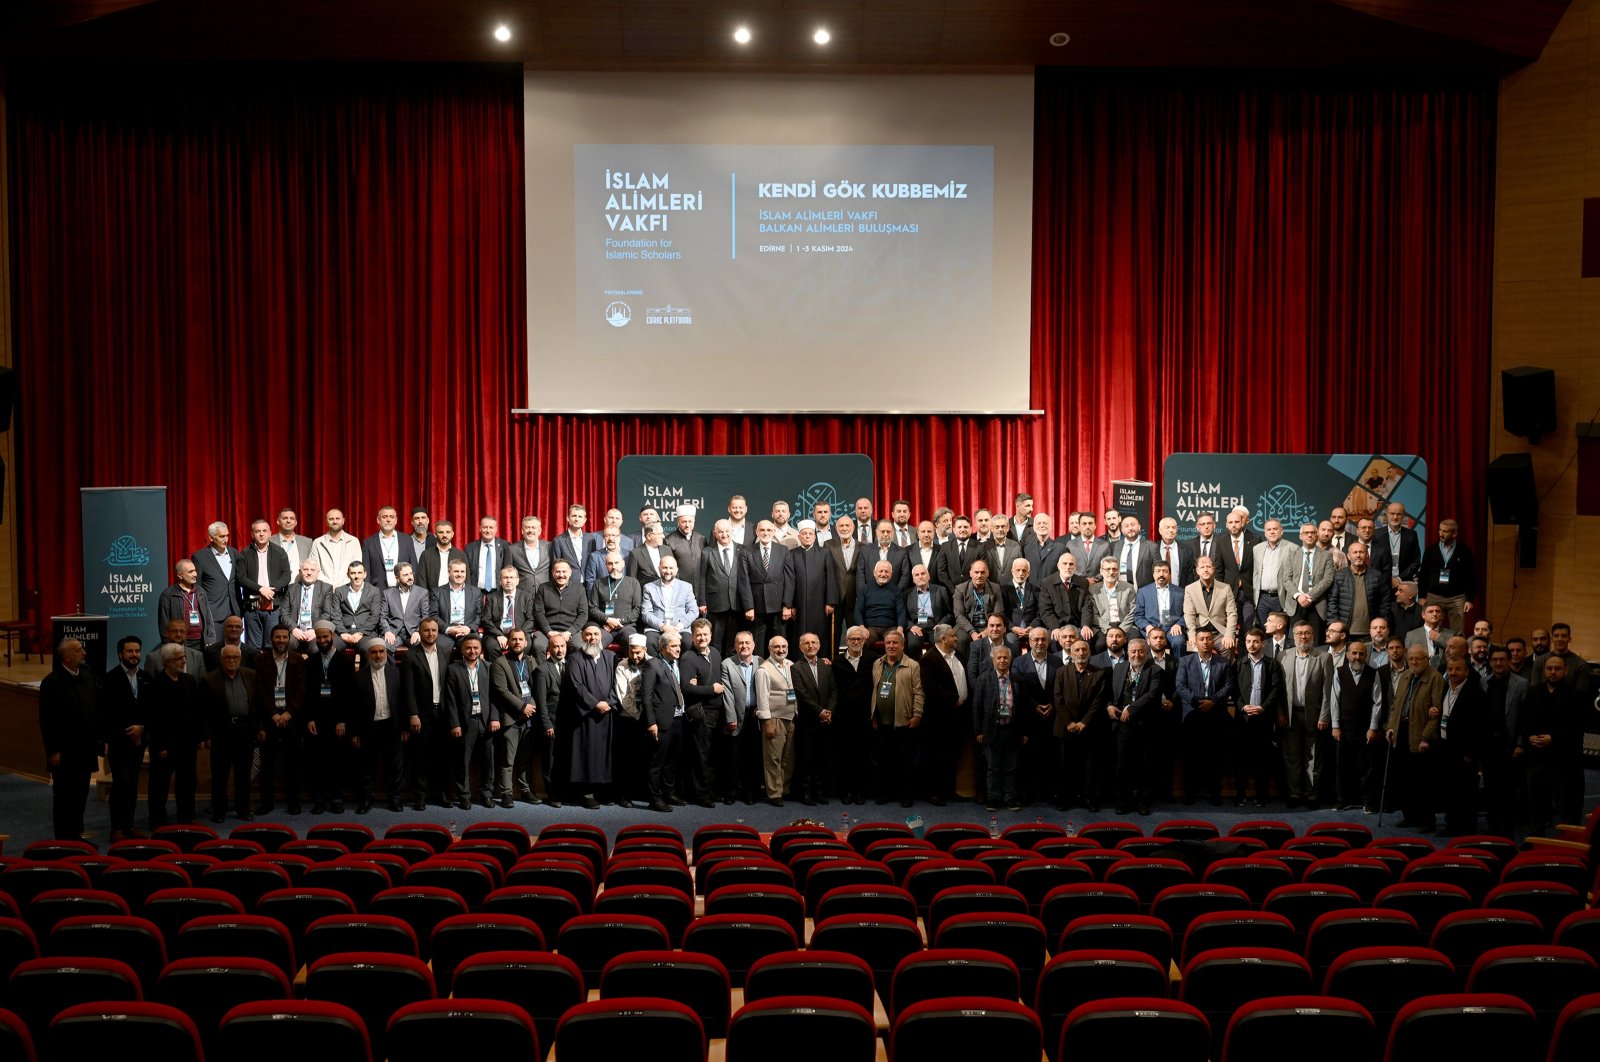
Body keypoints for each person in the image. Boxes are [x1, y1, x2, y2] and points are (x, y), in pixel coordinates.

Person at [39, 639, 99, 839]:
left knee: (81, 794)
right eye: (78, 649)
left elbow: (93, 712)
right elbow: (47, 720)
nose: (83, 652)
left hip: (85, 749)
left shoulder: (88, 677)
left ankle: (77, 835)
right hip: (64, 752)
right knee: (64, 796)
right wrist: (53, 751)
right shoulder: (51, 683)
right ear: (66, 657)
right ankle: (63, 839)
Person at [1385, 644, 1445, 832]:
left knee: (1423, 782)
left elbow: (1437, 711)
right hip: (1401, 731)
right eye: (1411, 659)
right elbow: (1396, 705)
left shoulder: (1434, 678)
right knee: (1404, 779)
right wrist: (1391, 726)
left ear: (1427, 658)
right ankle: (1410, 816)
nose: (1414, 662)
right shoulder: (1405, 676)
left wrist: (1426, 737)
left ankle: (1427, 820)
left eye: (1418, 658)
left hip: (1420, 734)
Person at [1176, 625, 1235, 806]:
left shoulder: (1223, 662)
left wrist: (1213, 702)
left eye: (1208, 639)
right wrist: (1197, 702)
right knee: (1191, 757)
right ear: (1196, 641)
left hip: (1216, 715)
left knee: (1215, 757)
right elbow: (1180, 686)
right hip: (1192, 715)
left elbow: (1228, 686)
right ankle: (1189, 793)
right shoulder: (1185, 662)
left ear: (1212, 641)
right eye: (1201, 639)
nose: (1205, 642)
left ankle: (1215, 794)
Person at [146, 642, 203, 828]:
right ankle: (157, 820)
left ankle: (186, 816)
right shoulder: (156, 684)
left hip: (187, 743)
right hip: (165, 745)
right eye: (179, 658)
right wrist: (160, 746)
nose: (183, 661)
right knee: (159, 785)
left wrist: (198, 738)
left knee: (187, 782)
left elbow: (196, 711)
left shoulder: (189, 680)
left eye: (183, 657)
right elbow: (154, 719)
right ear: (167, 662)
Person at [252, 623, 306, 814]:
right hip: (269, 719)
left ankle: (294, 802)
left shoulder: (298, 660)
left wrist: (289, 713)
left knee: (294, 764)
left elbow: (301, 691)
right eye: (278, 637)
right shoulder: (261, 660)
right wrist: (273, 714)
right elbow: (260, 691)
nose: (281, 640)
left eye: (285, 637)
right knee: (268, 765)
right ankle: (266, 803)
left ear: (289, 639)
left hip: (292, 718)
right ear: (271, 639)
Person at [563, 624, 618, 808]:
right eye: (588, 635)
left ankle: (602, 791)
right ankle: (587, 793)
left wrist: (609, 702)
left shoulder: (610, 657)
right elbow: (577, 687)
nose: (593, 638)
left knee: (605, 754)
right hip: (586, 716)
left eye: (596, 634)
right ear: (582, 637)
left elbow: (617, 685)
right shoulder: (575, 659)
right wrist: (596, 704)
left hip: (607, 714)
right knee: (588, 753)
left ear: (601, 636)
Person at [201, 644, 257, 823]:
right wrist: (206, 735)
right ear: (221, 659)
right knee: (220, 775)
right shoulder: (209, 679)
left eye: (235, 657)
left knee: (243, 774)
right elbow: (203, 712)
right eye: (228, 657)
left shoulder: (250, 675)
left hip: (245, 731)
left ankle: (243, 808)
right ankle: (219, 810)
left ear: (240, 659)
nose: (232, 660)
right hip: (221, 734)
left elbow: (257, 704)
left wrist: (259, 728)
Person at [1281, 619, 1333, 808]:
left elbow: (1328, 691)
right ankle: (1295, 794)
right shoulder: (1283, 656)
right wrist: (1280, 712)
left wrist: (1324, 716)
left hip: (1314, 715)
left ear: (1313, 635)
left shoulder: (1324, 657)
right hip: (1290, 715)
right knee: (1292, 757)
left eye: (1307, 633)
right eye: (1299, 633)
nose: (1303, 636)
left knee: (1313, 757)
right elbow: (1279, 689)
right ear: (1293, 636)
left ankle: (1312, 795)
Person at [491, 627, 545, 809]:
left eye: (520, 639)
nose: (517, 642)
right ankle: (506, 793)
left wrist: (531, 707)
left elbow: (538, 687)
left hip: (530, 717)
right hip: (511, 717)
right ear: (509, 641)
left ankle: (525, 790)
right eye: (514, 639)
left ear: (526, 642)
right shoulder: (500, 662)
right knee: (508, 759)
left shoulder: (532, 661)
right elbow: (501, 690)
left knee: (525, 758)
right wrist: (522, 707)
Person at [303, 622, 354, 813]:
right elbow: (306, 694)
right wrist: (309, 718)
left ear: (332, 636)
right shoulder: (310, 662)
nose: (322, 640)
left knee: (338, 761)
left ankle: (337, 798)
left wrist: (343, 720)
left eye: (325, 637)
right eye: (319, 637)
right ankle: (319, 799)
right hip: (317, 720)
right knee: (317, 762)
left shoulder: (345, 661)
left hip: (337, 721)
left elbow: (350, 694)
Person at [1328, 637, 1384, 813]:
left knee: (1366, 767)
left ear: (1366, 655)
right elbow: (1334, 700)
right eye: (1354, 653)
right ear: (1347, 655)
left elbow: (1378, 702)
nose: (1357, 656)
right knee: (1342, 766)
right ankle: (1342, 800)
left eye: (1361, 653)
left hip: (1365, 728)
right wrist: (1335, 726)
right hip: (1344, 728)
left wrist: (1373, 727)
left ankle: (1368, 801)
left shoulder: (1373, 673)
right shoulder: (1339, 672)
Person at [1053, 637, 1109, 811]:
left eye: (1084, 650)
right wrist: (1069, 722)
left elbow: (1098, 702)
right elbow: (1057, 698)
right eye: (1076, 650)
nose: (1081, 653)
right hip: (1065, 727)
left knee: (1090, 767)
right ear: (1071, 653)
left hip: (1090, 728)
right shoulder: (1062, 672)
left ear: (1089, 652)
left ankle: (1088, 799)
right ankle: (1065, 798)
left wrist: (1084, 722)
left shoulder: (1099, 673)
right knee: (1065, 766)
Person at [102, 635, 149, 840]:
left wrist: (143, 728)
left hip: (139, 742)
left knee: (132, 785)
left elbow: (151, 709)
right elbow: (107, 713)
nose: (134, 655)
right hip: (119, 742)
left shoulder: (146, 678)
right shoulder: (110, 679)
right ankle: (117, 828)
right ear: (121, 654)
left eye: (137, 651)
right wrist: (128, 731)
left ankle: (130, 825)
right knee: (121, 782)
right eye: (130, 651)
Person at [351, 640, 407, 813]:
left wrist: (404, 727)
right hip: (369, 727)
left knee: (395, 767)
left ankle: (395, 799)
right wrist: (355, 733)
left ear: (386, 653)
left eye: (381, 651)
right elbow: (353, 707)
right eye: (374, 652)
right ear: (368, 655)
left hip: (392, 726)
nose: (378, 656)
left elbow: (403, 703)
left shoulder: (396, 673)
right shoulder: (359, 676)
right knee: (366, 767)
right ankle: (366, 800)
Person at [870, 630, 924, 807]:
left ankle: (906, 795)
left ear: (902, 645)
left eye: (895, 643)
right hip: (882, 721)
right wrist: (874, 714)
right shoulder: (878, 663)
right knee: (884, 760)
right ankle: (885, 794)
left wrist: (917, 714)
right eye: (888, 643)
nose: (891, 646)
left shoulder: (913, 665)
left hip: (904, 721)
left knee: (906, 762)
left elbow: (918, 692)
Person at [1232, 628, 1284, 807]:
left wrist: (1263, 707)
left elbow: (1276, 689)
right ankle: (1240, 794)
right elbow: (1234, 691)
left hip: (1264, 719)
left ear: (1263, 643)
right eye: (1248, 642)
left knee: (1262, 760)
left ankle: (1262, 796)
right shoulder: (1238, 664)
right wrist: (1241, 706)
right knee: (1241, 760)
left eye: (1255, 641)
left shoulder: (1273, 664)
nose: (1251, 645)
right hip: (1243, 719)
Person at [444, 634, 496, 810]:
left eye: (475, 648)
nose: (472, 651)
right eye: (468, 648)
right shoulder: (453, 669)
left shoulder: (489, 668)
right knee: (463, 761)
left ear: (481, 649)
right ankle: (464, 795)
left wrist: (494, 718)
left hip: (486, 720)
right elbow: (450, 700)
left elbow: (495, 697)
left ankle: (486, 794)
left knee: (488, 761)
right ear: (461, 650)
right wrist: (455, 724)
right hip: (465, 723)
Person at [402, 617, 450, 809]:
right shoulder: (410, 655)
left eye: (434, 630)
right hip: (422, 714)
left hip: (443, 712)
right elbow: (408, 688)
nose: (430, 634)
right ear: (420, 632)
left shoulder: (446, 653)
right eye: (426, 630)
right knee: (420, 757)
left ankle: (441, 794)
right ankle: (420, 796)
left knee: (442, 757)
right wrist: (413, 714)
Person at [973, 645, 1025, 812]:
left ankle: (1009, 797)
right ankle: (993, 798)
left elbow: (1024, 709)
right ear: (993, 660)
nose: (1002, 660)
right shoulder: (984, 678)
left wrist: (1024, 732)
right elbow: (976, 707)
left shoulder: (1017, 679)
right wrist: (978, 731)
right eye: (999, 658)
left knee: (1011, 767)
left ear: (1010, 660)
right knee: (993, 767)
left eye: (1005, 658)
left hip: (1012, 730)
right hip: (991, 730)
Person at [644, 629, 689, 811]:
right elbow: (646, 697)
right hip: (661, 722)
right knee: (657, 763)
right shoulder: (652, 665)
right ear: (663, 647)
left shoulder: (677, 664)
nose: (679, 649)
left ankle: (669, 793)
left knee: (672, 761)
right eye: (674, 646)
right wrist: (651, 722)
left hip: (678, 719)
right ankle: (655, 799)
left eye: (679, 646)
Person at [753, 634, 799, 807]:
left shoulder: (790, 665)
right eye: (777, 647)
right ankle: (774, 793)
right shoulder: (763, 670)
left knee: (788, 757)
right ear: (769, 649)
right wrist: (767, 722)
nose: (781, 650)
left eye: (784, 647)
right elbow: (762, 699)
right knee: (773, 758)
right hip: (775, 718)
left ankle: (784, 789)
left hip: (791, 717)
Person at [238, 518, 292, 647]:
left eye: (264, 531)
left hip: (273, 602)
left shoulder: (280, 552)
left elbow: (286, 576)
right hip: (252, 604)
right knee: (253, 646)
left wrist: (271, 589)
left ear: (270, 533)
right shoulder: (244, 553)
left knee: (271, 643)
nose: (261, 534)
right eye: (257, 531)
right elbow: (241, 577)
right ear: (252, 534)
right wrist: (261, 589)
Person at [700, 519, 751, 655]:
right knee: (715, 642)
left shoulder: (742, 550)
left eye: (727, 531)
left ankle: (731, 672)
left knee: (732, 644)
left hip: (736, 604)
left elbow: (746, 578)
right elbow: (702, 577)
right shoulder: (707, 552)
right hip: (715, 604)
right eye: (720, 532)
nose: (724, 535)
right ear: (715, 533)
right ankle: (716, 671)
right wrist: (702, 601)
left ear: (732, 532)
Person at [786, 521, 838, 653]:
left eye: (810, 533)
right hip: (799, 603)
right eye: (804, 534)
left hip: (820, 604)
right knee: (798, 635)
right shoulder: (792, 554)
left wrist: (830, 602)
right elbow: (789, 580)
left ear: (815, 537)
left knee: (820, 634)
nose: (807, 536)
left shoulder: (825, 553)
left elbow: (831, 578)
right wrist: (790, 605)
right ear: (799, 536)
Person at [744, 520, 792, 650]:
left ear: (774, 532)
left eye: (769, 530)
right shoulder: (747, 552)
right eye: (762, 530)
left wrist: (787, 605)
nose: (766, 533)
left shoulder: (783, 550)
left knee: (778, 644)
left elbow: (789, 579)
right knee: (758, 645)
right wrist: (749, 606)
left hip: (778, 607)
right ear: (757, 532)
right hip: (756, 607)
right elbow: (744, 581)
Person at [193, 521, 242, 632]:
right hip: (214, 613)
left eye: (227, 535)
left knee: (234, 648)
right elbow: (197, 587)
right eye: (222, 536)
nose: (226, 539)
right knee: (216, 648)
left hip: (235, 611)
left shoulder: (234, 553)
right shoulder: (200, 557)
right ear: (211, 538)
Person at [588, 550, 643, 649]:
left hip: (626, 627)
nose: (614, 567)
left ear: (623, 564)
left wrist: (618, 622)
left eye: (616, 563)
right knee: (595, 644)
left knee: (633, 643)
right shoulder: (598, 583)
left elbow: (637, 609)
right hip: (604, 627)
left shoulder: (634, 583)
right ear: (606, 566)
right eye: (610, 564)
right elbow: (593, 608)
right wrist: (607, 619)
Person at [480, 564, 535, 660]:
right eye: (505, 578)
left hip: (520, 632)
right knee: (491, 646)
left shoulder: (527, 597)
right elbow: (486, 620)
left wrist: (517, 635)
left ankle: (519, 672)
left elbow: (531, 619)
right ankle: (499, 672)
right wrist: (499, 635)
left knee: (526, 644)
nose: (509, 581)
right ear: (500, 581)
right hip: (497, 633)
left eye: (511, 577)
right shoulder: (491, 597)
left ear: (517, 580)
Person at [431, 558, 483, 655]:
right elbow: (434, 615)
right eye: (456, 571)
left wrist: (469, 628)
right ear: (449, 572)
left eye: (462, 571)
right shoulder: (437, 592)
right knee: (439, 649)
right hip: (445, 633)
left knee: (472, 647)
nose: (459, 574)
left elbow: (479, 615)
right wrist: (448, 629)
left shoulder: (476, 592)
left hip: (467, 631)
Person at [158, 558, 213, 649]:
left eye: (195, 570)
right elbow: (164, 625)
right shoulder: (168, 595)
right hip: (180, 644)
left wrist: (210, 638)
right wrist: (169, 646)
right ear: (180, 575)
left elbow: (208, 618)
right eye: (190, 572)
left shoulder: (201, 592)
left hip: (201, 643)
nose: (195, 574)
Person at [279, 558, 331, 654]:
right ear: (300, 571)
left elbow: (327, 613)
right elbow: (284, 613)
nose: (309, 573)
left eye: (312, 570)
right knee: (288, 644)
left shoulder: (326, 588)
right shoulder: (291, 588)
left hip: (314, 631)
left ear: (318, 572)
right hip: (295, 630)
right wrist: (293, 628)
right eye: (306, 569)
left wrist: (315, 630)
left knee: (315, 649)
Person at [328, 561, 382, 649]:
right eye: (353, 573)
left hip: (365, 632)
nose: (356, 576)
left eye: (360, 573)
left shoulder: (374, 591)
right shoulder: (339, 591)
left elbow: (375, 616)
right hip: (344, 631)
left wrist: (361, 633)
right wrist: (343, 633)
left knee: (367, 649)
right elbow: (335, 615)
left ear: (365, 574)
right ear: (348, 575)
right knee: (331, 648)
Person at [311, 509, 362, 589]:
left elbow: (357, 567)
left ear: (343, 520)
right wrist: (330, 586)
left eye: (337, 518)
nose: (334, 521)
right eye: (331, 519)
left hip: (348, 589)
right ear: (326, 521)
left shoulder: (354, 541)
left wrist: (342, 586)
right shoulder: (318, 542)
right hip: (325, 590)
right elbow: (314, 568)